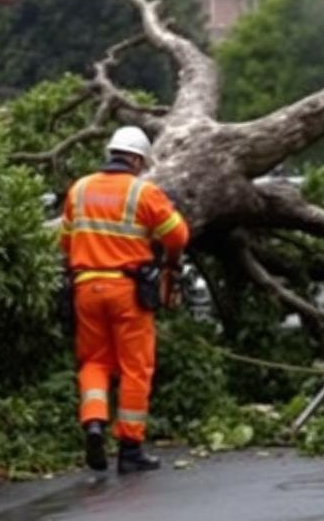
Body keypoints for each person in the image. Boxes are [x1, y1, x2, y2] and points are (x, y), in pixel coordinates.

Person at [60, 125, 189, 474]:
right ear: (135, 159)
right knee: (136, 367)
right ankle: (130, 449)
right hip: (128, 292)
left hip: (86, 289)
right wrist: (168, 262)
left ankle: (94, 422)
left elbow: (65, 242)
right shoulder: (143, 192)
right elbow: (178, 235)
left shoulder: (80, 189)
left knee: (94, 362)